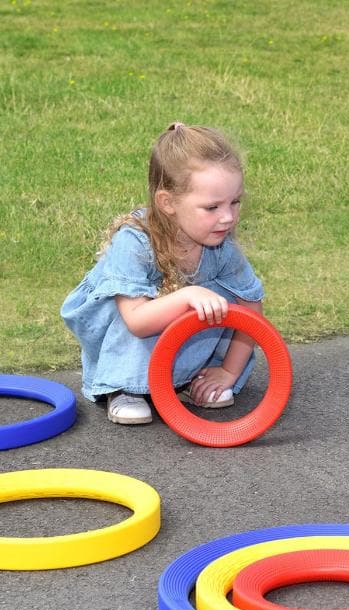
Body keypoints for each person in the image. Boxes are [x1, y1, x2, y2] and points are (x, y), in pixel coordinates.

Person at [61, 123, 264, 425]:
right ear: (167, 202)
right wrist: (187, 295)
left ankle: (188, 378)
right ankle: (125, 387)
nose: (228, 217)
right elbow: (138, 321)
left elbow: (251, 308)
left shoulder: (221, 245)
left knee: (222, 297)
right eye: (212, 207)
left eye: (234, 202)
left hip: (176, 342)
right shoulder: (135, 242)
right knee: (159, 303)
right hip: (130, 328)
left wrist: (229, 372)